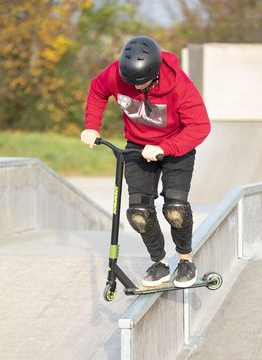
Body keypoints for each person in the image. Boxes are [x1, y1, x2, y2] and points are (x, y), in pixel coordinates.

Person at [81, 35, 210, 288]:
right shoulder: (115, 75)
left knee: (176, 210)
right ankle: (160, 263)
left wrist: (165, 147)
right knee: (139, 213)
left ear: (156, 74)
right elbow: (97, 91)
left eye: (143, 84)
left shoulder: (180, 86)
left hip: (176, 146)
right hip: (137, 147)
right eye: (131, 84)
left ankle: (185, 260)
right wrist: (91, 127)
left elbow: (200, 127)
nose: (136, 89)